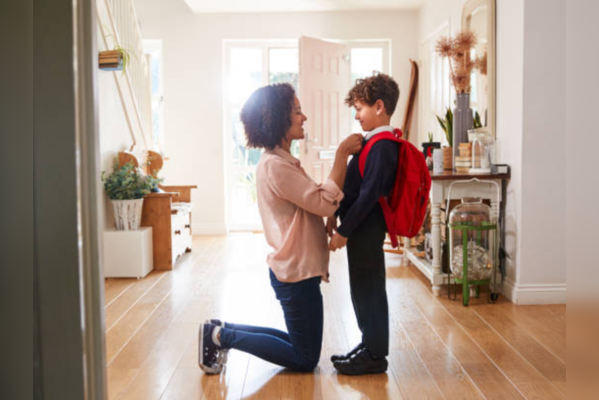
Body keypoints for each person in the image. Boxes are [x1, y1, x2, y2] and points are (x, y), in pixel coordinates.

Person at [198, 83, 363, 374]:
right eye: (297, 112)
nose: (304, 117)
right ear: (277, 119)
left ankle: (220, 329)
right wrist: (342, 155)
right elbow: (324, 202)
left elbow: (311, 203)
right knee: (304, 358)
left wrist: (324, 214)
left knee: (299, 344)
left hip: (296, 269)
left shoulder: (281, 161)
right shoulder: (277, 166)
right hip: (296, 273)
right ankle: (222, 337)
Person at [327, 72, 400, 375]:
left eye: (360, 108)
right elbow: (356, 188)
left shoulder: (383, 145)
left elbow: (369, 195)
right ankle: (368, 344)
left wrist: (344, 231)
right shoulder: (372, 143)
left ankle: (375, 354)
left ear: (379, 106)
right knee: (361, 287)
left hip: (366, 230)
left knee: (369, 288)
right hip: (361, 230)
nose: (356, 115)